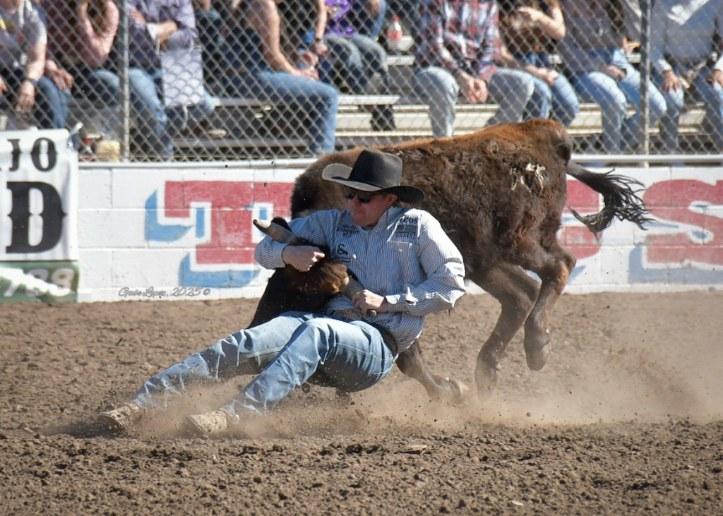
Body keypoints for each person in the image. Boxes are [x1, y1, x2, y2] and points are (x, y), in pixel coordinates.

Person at [99, 149, 466, 436]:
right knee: (246, 342)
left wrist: (389, 301)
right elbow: (265, 249)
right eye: (350, 195)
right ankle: (143, 402)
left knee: (315, 331)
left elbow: (452, 283)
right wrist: (289, 253)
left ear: (389, 199)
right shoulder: (333, 223)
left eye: (363, 199)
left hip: (376, 346)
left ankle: (235, 415)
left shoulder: (417, 227)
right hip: (321, 326)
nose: (352, 204)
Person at [222, 0, 339, 155]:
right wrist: (297, 73)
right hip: (254, 77)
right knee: (328, 95)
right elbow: (272, 56)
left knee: (312, 80)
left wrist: (297, 57)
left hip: (239, 76)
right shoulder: (266, 6)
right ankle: (322, 155)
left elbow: (262, 49)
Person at [413, 0, 537, 137]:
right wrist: (459, 75)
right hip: (435, 68)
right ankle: (445, 145)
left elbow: (491, 46)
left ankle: (485, 139)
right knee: (445, 82)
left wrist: (482, 79)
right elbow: (434, 46)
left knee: (523, 83)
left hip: (475, 71)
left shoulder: (488, 4)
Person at [558, 0, 667, 153]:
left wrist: (624, 4)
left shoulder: (614, 5)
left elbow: (639, 32)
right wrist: (601, 67)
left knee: (656, 106)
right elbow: (567, 52)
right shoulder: (566, 4)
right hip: (584, 67)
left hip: (618, 61)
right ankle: (611, 154)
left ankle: (603, 146)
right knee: (615, 99)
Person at [127, 0, 219, 160]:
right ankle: (164, 159)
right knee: (152, 109)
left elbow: (189, 37)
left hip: (172, 63)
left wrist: (153, 30)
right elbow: (133, 33)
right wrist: (171, 26)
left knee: (206, 105)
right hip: (135, 66)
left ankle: (156, 131)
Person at [651, 0, 722, 152]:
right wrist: (666, 71)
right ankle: (670, 152)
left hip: (704, 66)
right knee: (673, 99)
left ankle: (721, 149)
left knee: (717, 93)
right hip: (673, 66)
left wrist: (719, 68)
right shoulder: (663, 5)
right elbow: (654, 46)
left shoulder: (714, 3)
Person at [316, 0, 396, 130]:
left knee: (378, 52)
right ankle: (365, 95)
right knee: (351, 52)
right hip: (327, 35)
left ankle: (383, 116)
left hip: (350, 33)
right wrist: (324, 11)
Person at [497, 0, 579, 126]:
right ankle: (533, 141)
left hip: (544, 63)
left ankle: (547, 138)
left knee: (569, 105)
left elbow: (560, 32)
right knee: (542, 94)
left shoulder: (547, 3)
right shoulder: (501, 6)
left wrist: (540, 17)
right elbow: (502, 54)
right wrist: (535, 72)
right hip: (517, 64)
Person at [44, 0, 120, 118]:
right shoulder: (55, 5)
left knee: (112, 85)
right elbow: (43, 43)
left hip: (88, 70)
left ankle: (101, 130)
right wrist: (52, 69)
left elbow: (95, 58)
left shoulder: (108, 9)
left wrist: (81, 14)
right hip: (58, 65)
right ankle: (64, 134)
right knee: (59, 89)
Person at [0, 0, 67, 129]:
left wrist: (29, 83)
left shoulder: (34, 12)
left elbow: (37, 58)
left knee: (47, 89)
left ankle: (54, 143)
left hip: (14, 71)